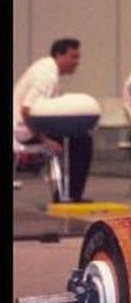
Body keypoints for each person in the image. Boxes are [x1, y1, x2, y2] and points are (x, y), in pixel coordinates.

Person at [12, 38, 94, 202]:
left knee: (78, 137)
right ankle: (70, 195)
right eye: (73, 57)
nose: (77, 62)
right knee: (82, 140)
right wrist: (46, 140)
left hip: (25, 127)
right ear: (59, 55)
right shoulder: (47, 77)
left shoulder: (45, 67)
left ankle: (67, 193)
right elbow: (26, 110)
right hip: (23, 132)